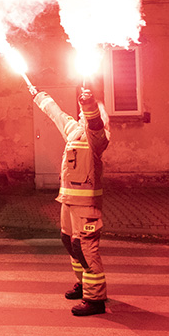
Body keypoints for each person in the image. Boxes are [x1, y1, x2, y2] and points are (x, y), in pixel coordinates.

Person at [30, 85, 109, 317]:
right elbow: (56, 113)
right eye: (81, 111)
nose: (81, 114)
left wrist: (89, 104)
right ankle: (84, 284)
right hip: (68, 199)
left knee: (85, 247)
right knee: (69, 241)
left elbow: (95, 126)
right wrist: (38, 95)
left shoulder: (98, 137)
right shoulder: (74, 131)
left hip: (86, 205)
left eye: (85, 112)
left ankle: (95, 299)